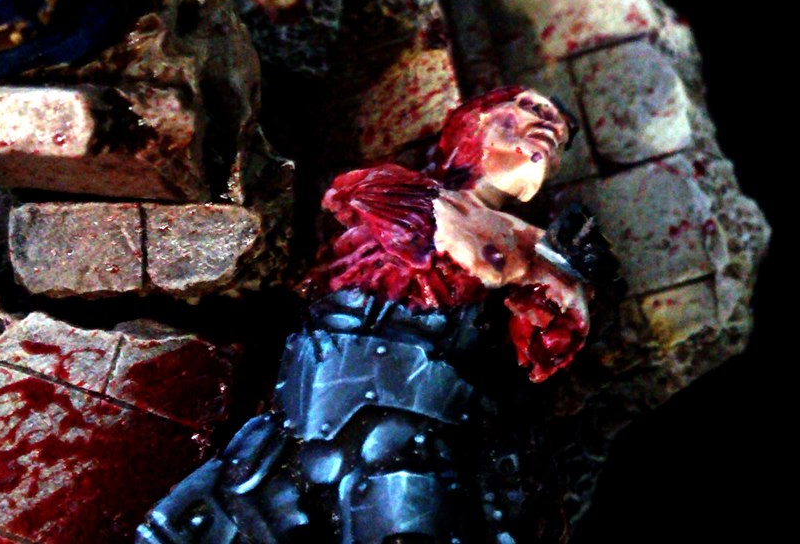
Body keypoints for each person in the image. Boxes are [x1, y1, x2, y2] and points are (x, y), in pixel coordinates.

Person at [138, 87, 616, 544]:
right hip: (325, 388)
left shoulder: (535, 244)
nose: (548, 127)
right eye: (531, 108)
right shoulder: (399, 189)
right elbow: (406, 246)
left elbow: (545, 346)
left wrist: (574, 281)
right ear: (476, 120)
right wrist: (533, 268)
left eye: (560, 135)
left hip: (423, 413)